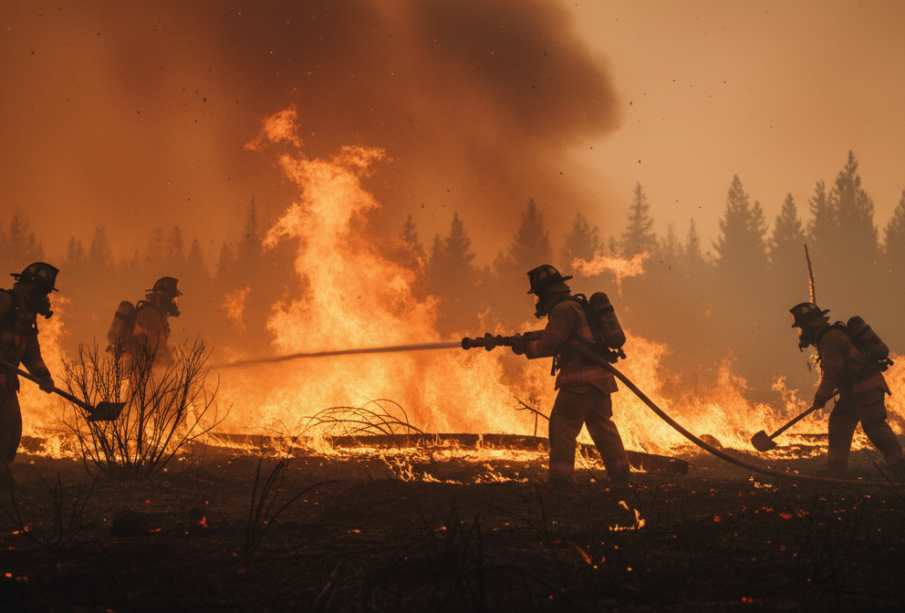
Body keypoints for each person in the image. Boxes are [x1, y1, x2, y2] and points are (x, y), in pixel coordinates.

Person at [512, 265, 631, 486]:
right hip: (599, 379)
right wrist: (528, 337)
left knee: (562, 427)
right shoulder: (576, 306)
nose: (537, 300)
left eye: (538, 294)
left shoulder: (562, 310)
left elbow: (549, 344)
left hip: (580, 380)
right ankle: (621, 475)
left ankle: (560, 480)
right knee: (602, 427)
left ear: (547, 291)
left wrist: (526, 348)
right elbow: (564, 336)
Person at [790, 302, 905, 476]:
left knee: (874, 426)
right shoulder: (829, 337)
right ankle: (836, 469)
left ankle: (900, 466)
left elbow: (832, 372)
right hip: (851, 393)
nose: (801, 333)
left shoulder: (831, 339)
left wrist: (820, 397)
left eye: (801, 328)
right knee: (839, 423)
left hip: (867, 389)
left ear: (809, 325)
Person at [0, 262, 59, 478]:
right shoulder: (6, 302)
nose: (46, 299)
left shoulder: (26, 317)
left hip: (6, 383)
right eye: (44, 293)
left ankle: (4, 478)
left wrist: (43, 376)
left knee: (12, 428)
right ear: (32, 289)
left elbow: (31, 354)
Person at [130, 277, 182, 368]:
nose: (174, 303)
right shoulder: (151, 313)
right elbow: (157, 345)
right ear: (164, 298)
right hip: (139, 367)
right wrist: (172, 367)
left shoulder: (155, 314)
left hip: (143, 366)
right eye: (172, 299)